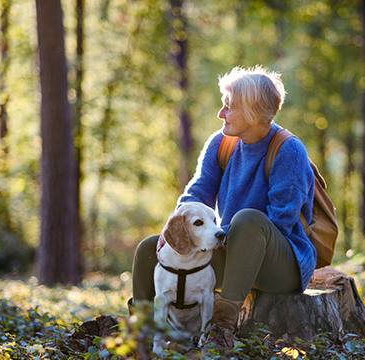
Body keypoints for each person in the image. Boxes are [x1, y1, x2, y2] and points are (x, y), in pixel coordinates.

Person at [130, 65, 317, 349]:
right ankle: (143, 334)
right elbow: (195, 195)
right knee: (149, 247)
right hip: (230, 249)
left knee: (247, 220)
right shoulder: (221, 143)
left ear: (252, 111)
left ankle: (220, 330)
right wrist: (174, 230)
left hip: (280, 264)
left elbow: (281, 219)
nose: (221, 114)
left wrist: (222, 234)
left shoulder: (288, 150)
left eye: (228, 107)